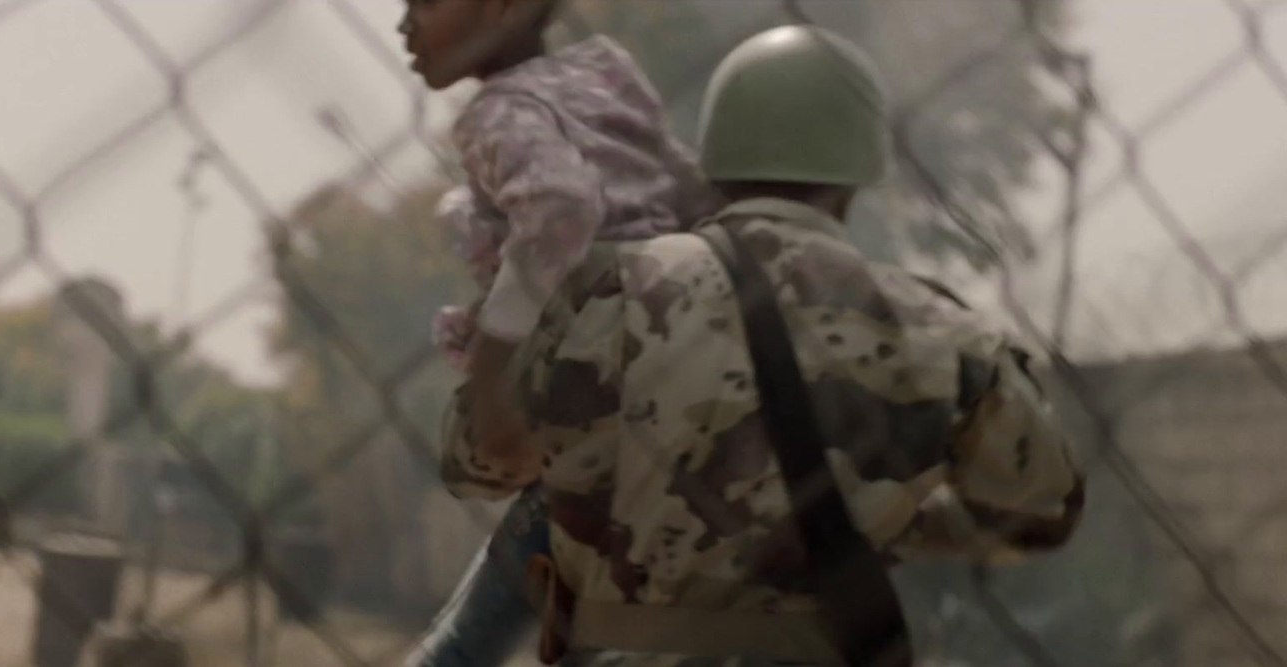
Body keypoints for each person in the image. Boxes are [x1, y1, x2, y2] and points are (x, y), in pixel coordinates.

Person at [442, 24, 1087, 666]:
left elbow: (480, 459)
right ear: (858, 174)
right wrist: (892, 514)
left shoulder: (609, 288)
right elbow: (1041, 507)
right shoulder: (942, 331)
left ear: (715, 159)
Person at [398, 0, 721, 663]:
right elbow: (691, 191)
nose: (403, 25)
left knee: (466, 643)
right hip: (674, 395)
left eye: (423, 3)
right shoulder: (607, 70)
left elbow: (562, 206)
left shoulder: (494, 113)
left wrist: (493, 365)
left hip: (590, 412)